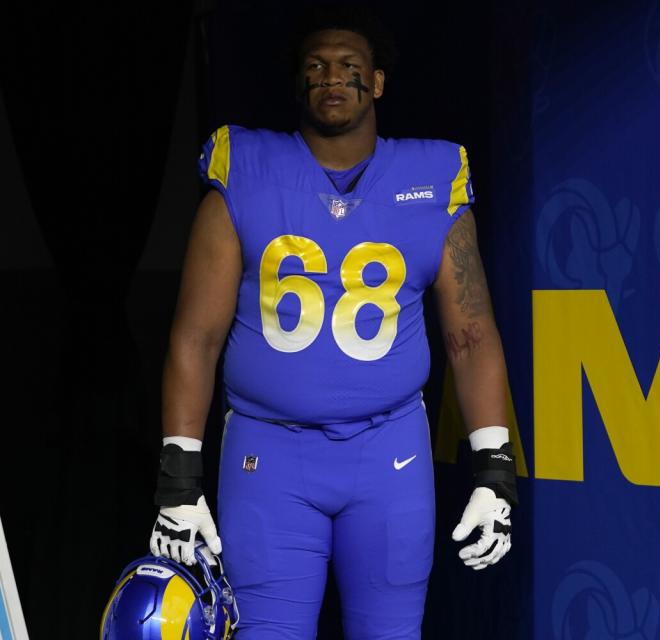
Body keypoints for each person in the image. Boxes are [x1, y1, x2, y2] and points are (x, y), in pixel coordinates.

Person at [146, 7, 517, 639]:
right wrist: (178, 478)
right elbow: (196, 336)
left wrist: (496, 468)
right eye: (316, 66)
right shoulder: (246, 171)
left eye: (349, 66)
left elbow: (471, 337)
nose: (331, 78)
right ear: (299, 81)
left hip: (389, 455)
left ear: (377, 82)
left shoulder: (432, 182)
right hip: (270, 455)